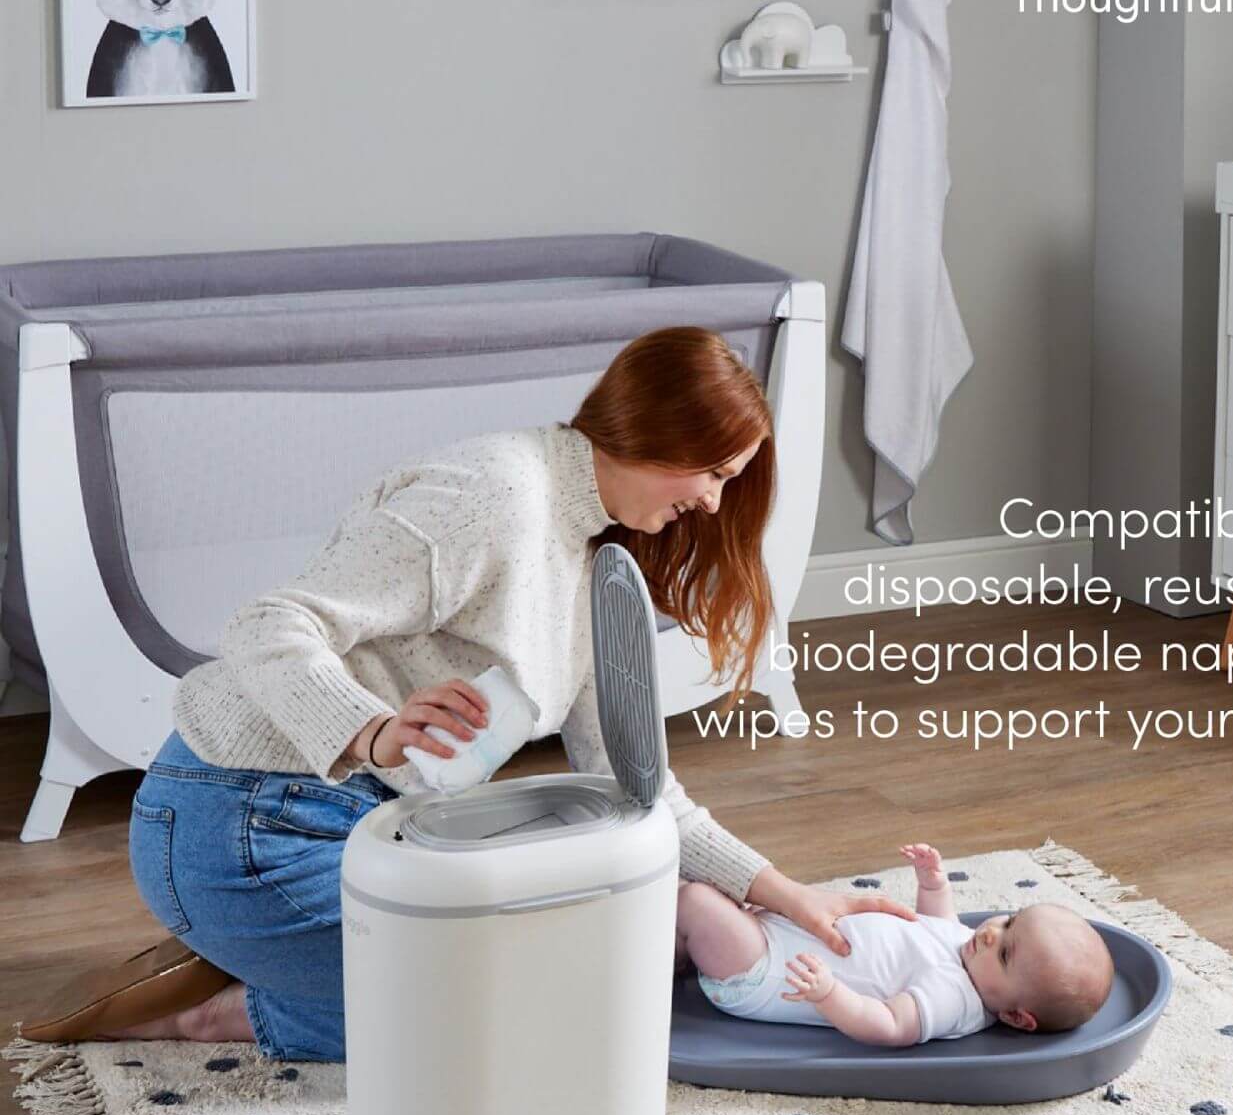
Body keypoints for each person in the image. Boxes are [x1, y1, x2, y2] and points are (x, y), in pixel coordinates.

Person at [21, 326, 915, 1057]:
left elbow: (641, 789)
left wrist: (789, 893)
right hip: (242, 824)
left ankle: (264, 957)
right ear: (662, 429)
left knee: (582, 962)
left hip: (372, 832)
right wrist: (372, 732)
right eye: (717, 474)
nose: (719, 508)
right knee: (520, 1016)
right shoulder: (490, 497)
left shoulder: (599, 564)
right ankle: (198, 1010)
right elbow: (267, 627)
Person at [677, 842, 1114, 1044]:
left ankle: (659, 955)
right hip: (779, 928)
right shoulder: (971, 953)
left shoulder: (956, 1000)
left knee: (695, 901)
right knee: (710, 884)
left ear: (1017, 1016)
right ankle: (676, 950)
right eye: (1010, 922)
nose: (990, 933)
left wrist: (830, 994)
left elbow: (889, 1026)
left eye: (1005, 952)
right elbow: (937, 924)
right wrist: (934, 885)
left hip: (761, 970)